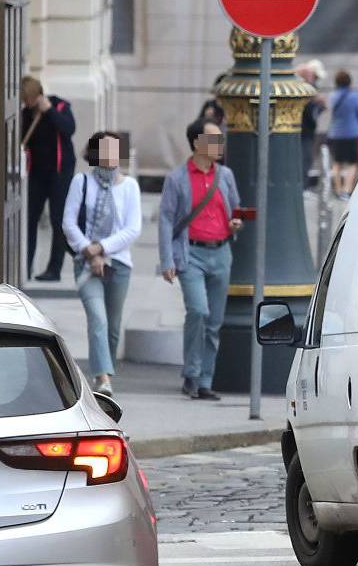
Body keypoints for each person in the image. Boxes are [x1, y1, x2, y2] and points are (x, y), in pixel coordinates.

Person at [159, 119, 242, 400]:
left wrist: (234, 223)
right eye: (213, 139)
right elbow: (166, 221)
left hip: (221, 252)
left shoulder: (226, 175)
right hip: (190, 253)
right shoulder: (177, 178)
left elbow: (234, 208)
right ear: (196, 143)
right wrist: (167, 260)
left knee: (214, 321)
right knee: (198, 311)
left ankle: (205, 380)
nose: (219, 145)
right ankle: (191, 374)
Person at [61, 131, 141, 396]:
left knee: (113, 326)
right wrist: (90, 251)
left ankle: (104, 370)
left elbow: (133, 229)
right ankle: (102, 378)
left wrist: (103, 248)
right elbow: (69, 223)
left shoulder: (129, 186)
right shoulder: (81, 182)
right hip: (86, 263)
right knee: (98, 318)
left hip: (118, 262)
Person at [20, 76, 77, 282]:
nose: (26, 103)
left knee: (58, 219)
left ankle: (54, 269)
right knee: (30, 218)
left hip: (60, 172)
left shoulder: (60, 106)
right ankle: (25, 266)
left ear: (38, 96)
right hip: (36, 173)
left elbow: (69, 129)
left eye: (28, 99)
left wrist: (50, 111)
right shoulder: (26, 114)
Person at [325, 69, 358, 196]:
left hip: (335, 134)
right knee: (351, 163)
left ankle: (337, 189)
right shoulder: (355, 97)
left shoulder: (332, 96)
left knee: (336, 163)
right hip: (351, 134)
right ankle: (347, 190)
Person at [298, 59, 327, 186]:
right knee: (304, 160)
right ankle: (302, 186)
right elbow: (309, 113)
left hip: (306, 132)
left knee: (306, 160)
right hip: (303, 132)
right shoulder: (304, 91)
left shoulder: (309, 91)